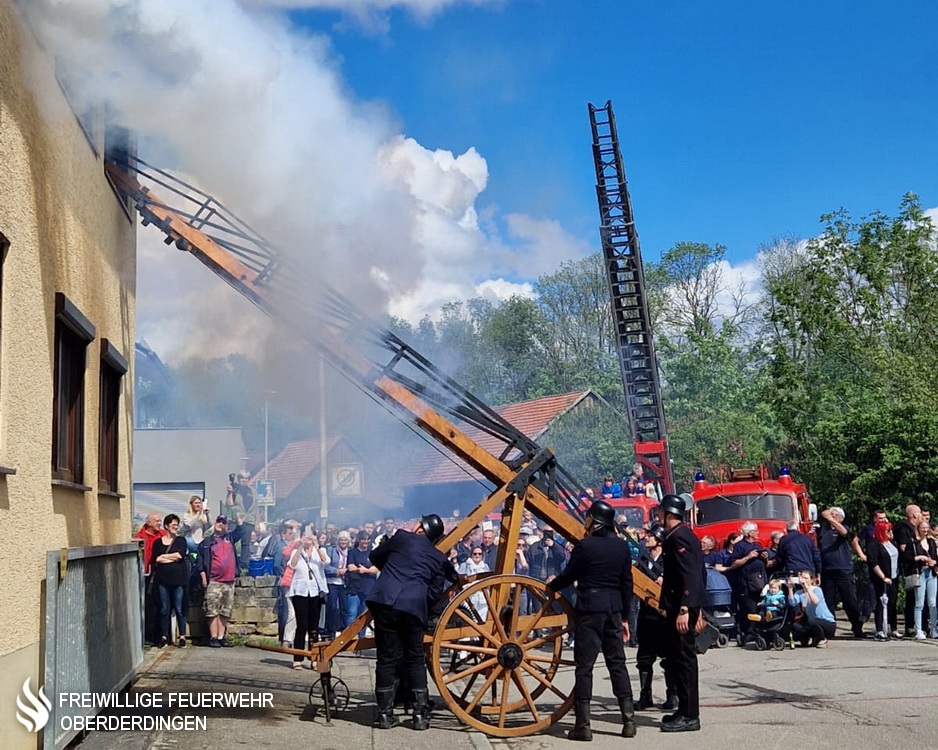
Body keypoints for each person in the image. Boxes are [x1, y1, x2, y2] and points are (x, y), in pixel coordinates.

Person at [549, 500, 637, 740]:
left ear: (595, 522)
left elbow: (570, 575)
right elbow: (626, 584)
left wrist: (552, 586)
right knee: (617, 664)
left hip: (590, 608)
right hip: (614, 609)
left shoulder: (585, 546)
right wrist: (626, 617)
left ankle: (583, 726)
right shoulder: (621, 548)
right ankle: (628, 722)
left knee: (585, 667)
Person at [367, 514, 459, 731]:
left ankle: (384, 715)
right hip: (413, 607)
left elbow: (374, 557)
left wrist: (390, 567)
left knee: (386, 658)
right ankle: (419, 716)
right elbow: (434, 593)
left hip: (385, 601)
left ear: (420, 529)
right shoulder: (438, 558)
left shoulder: (401, 537)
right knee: (415, 659)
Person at [657, 494, 705, 733]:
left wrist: (686, 608)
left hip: (682, 607)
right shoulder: (678, 536)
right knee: (678, 659)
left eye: (660, 512)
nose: (657, 516)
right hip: (679, 606)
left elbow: (690, 575)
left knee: (685, 661)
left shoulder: (679, 538)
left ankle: (689, 715)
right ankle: (684, 709)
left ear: (669, 514)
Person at [634, 522, 675, 712]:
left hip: (664, 615)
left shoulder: (668, 560)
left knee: (669, 657)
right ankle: (645, 696)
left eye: (650, 535)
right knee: (644, 657)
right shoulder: (642, 560)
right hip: (646, 614)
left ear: (659, 540)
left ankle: (672, 695)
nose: (646, 538)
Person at [818, 507, 865, 638]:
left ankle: (857, 627)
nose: (831, 516)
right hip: (827, 570)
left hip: (843, 569)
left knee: (849, 599)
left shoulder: (843, 528)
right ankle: (829, 628)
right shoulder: (823, 530)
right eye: (830, 514)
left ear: (840, 518)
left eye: (835, 515)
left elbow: (845, 533)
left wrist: (830, 518)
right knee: (828, 601)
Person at [286, 530, 329, 669]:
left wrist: (316, 545)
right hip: (300, 591)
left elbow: (326, 562)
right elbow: (292, 565)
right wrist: (299, 547)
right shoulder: (296, 552)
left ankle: (314, 658)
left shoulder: (320, 551)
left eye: (310, 536)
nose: (308, 539)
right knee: (302, 625)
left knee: (314, 627)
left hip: (315, 591)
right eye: (305, 536)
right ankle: (297, 658)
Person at [197, 515, 238, 648]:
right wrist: (204, 578)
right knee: (212, 610)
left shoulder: (230, 538)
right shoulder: (207, 542)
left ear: (227, 526)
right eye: (218, 521)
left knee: (225, 611)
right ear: (215, 523)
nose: (220, 524)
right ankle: (213, 637)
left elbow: (243, 530)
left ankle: (221, 637)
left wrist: (238, 518)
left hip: (229, 581)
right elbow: (200, 562)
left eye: (223, 522)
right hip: (213, 580)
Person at [149, 513, 189, 648]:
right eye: (173, 525)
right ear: (167, 526)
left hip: (178, 580)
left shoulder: (181, 540)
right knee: (164, 608)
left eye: (177, 526)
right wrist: (171, 557)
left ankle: (182, 636)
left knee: (179, 607)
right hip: (162, 580)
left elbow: (180, 555)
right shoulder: (157, 542)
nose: (175, 528)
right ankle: (164, 636)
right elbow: (156, 559)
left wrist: (164, 557)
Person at [134, 513, 165, 646]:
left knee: (160, 606)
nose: (159, 523)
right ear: (149, 523)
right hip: (144, 576)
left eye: (160, 521)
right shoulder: (139, 538)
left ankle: (159, 636)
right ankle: (147, 636)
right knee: (147, 606)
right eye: (157, 521)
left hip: (159, 575)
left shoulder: (163, 535)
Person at [866, 520, 900, 640]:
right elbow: (873, 563)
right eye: (887, 530)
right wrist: (883, 577)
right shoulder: (874, 544)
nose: (890, 532)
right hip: (881, 578)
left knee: (892, 603)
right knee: (881, 603)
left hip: (894, 577)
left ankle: (893, 629)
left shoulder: (893, 543)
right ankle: (880, 629)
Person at [906, 519, 938, 639]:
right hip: (919, 573)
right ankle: (918, 629)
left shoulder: (931, 542)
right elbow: (907, 558)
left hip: (931, 573)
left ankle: (933, 628)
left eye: (926, 527)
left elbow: (935, 557)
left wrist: (934, 562)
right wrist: (919, 558)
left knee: (932, 602)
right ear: (918, 529)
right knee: (919, 603)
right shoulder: (913, 542)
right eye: (922, 528)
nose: (925, 530)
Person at [788, 571, 836, 647]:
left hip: (827, 623)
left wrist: (807, 588)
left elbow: (815, 601)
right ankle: (808, 638)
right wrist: (790, 588)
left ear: (811, 580)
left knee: (812, 621)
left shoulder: (817, 590)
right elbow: (792, 602)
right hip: (813, 623)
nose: (803, 580)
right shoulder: (800, 593)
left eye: (806, 578)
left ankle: (822, 639)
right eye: (802, 577)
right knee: (796, 625)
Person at [346, 531, 379, 636]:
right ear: (359, 540)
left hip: (368, 587)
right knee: (352, 613)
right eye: (363, 539)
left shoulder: (372, 553)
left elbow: (375, 569)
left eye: (367, 539)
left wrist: (365, 570)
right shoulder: (352, 552)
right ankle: (349, 637)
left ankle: (362, 637)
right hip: (355, 587)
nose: (365, 541)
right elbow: (350, 567)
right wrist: (361, 569)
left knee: (364, 615)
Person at [225, 470, 256, 573]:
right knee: (232, 541)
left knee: (246, 543)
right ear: (239, 479)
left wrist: (258, 523)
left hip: (249, 520)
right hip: (237, 519)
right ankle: (232, 565)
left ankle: (244, 566)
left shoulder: (253, 492)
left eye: (246, 478)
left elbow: (256, 507)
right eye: (242, 478)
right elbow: (229, 504)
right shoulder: (235, 489)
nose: (244, 480)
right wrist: (230, 492)